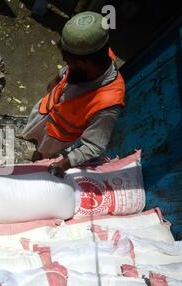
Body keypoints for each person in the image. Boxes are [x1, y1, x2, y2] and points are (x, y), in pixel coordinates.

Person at [21, 11, 125, 178]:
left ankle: (40, 157)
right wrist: (58, 78)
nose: (66, 67)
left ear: (82, 64)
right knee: (33, 137)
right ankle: (37, 148)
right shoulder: (98, 54)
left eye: (68, 63)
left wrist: (64, 163)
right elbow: (70, 70)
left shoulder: (108, 103)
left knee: (43, 153)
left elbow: (94, 146)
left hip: (56, 137)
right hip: (45, 114)